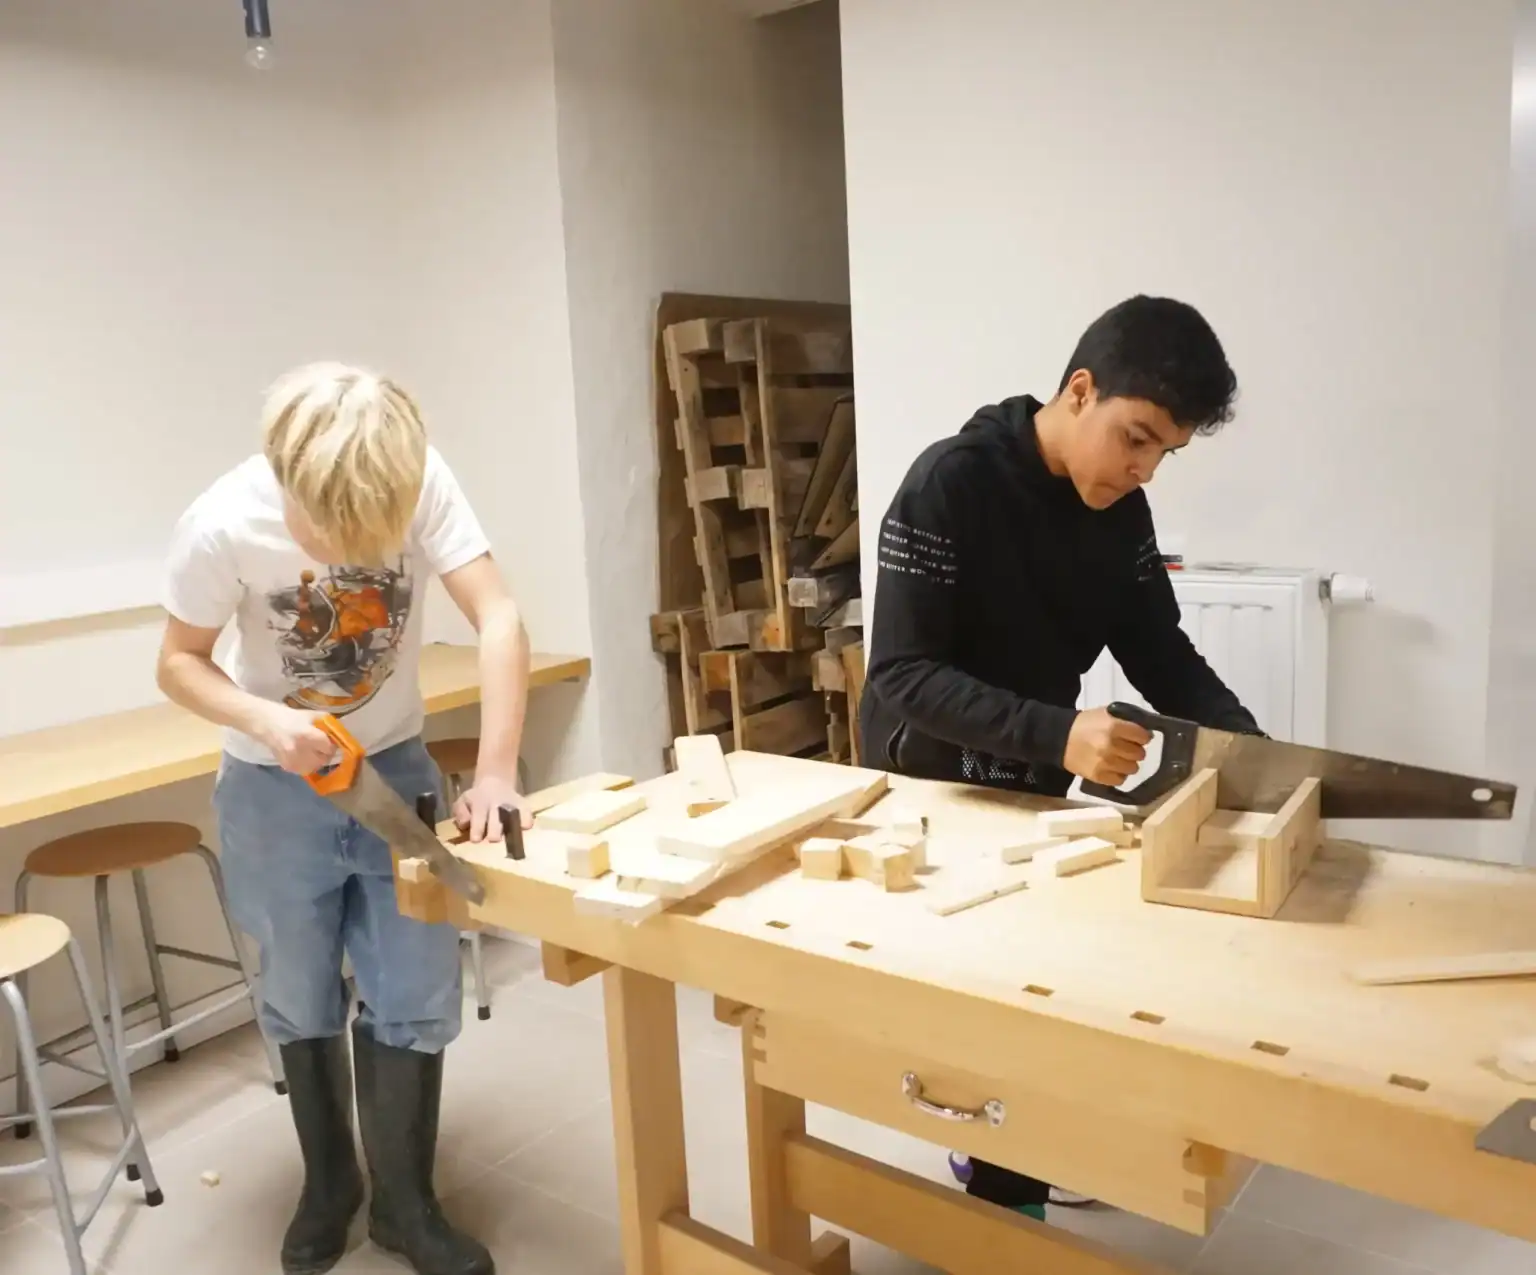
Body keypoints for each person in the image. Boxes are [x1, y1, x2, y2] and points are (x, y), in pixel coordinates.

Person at [860, 295, 1262, 1223]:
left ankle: (1013, 1161)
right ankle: (1003, 1199)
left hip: (1033, 772)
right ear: (1079, 391)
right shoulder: (947, 485)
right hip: (929, 778)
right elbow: (903, 674)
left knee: (1041, 992)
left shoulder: (1120, 512)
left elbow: (1161, 651)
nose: (1144, 466)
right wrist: (1061, 732)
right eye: (1136, 437)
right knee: (986, 999)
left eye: (1165, 451)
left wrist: (1249, 749)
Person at [157, 362, 530, 1275]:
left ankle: (406, 1203)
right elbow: (178, 662)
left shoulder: (418, 475)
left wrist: (495, 770)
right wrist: (266, 718)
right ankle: (330, 1185)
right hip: (270, 789)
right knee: (299, 993)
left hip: (392, 771)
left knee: (416, 987)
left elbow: (498, 613)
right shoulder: (220, 522)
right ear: (289, 479)